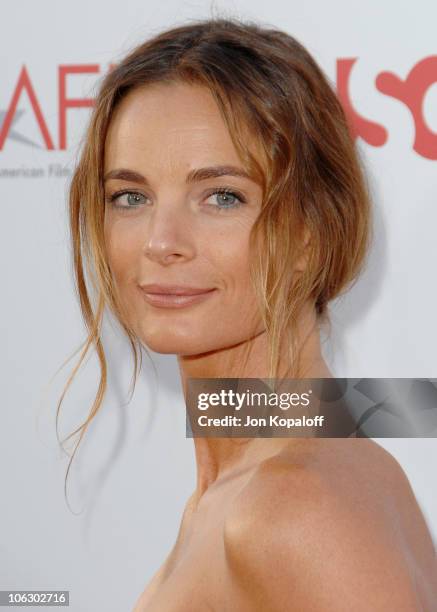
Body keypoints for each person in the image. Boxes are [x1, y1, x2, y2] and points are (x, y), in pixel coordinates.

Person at [58, 16, 437, 611]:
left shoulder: (295, 505)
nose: (162, 241)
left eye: (222, 196)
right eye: (130, 197)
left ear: (313, 230)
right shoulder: (257, 484)